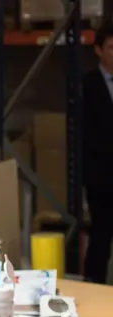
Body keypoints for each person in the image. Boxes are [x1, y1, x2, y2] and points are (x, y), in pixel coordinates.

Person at [82, 24, 113, 284]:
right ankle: (95, 285)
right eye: (112, 48)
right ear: (98, 50)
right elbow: (86, 133)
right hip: (101, 175)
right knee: (101, 236)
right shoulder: (87, 85)